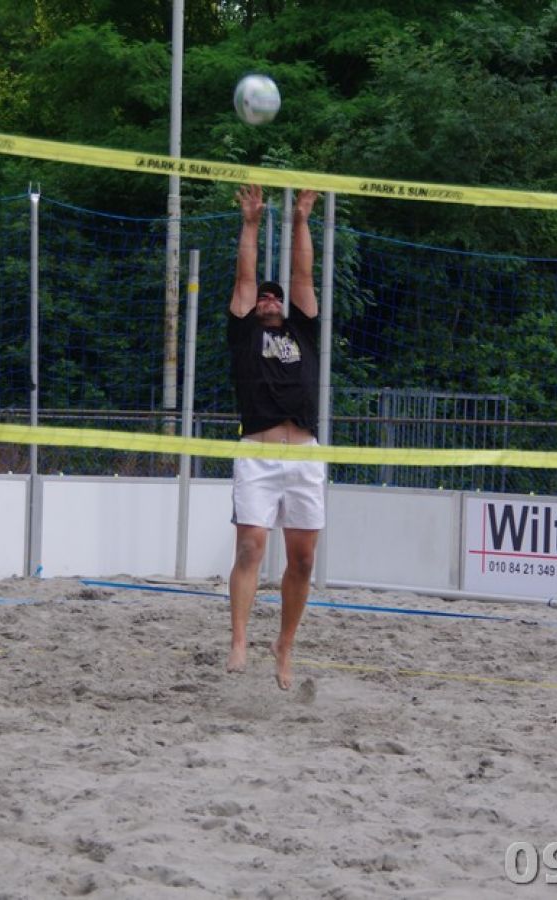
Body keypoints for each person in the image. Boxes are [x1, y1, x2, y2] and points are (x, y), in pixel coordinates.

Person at [226, 184, 325, 691]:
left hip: (304, 454)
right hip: (258, 453)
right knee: (251, 546)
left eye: (274, 297)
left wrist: (301, 219)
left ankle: (284, 645)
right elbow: (245, 279)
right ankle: (240, 638)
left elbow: (302, 276)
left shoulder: (302, 331)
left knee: (303, 560)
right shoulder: (246, 333)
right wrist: (251, 223)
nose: (268, 299)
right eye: (263, 296)